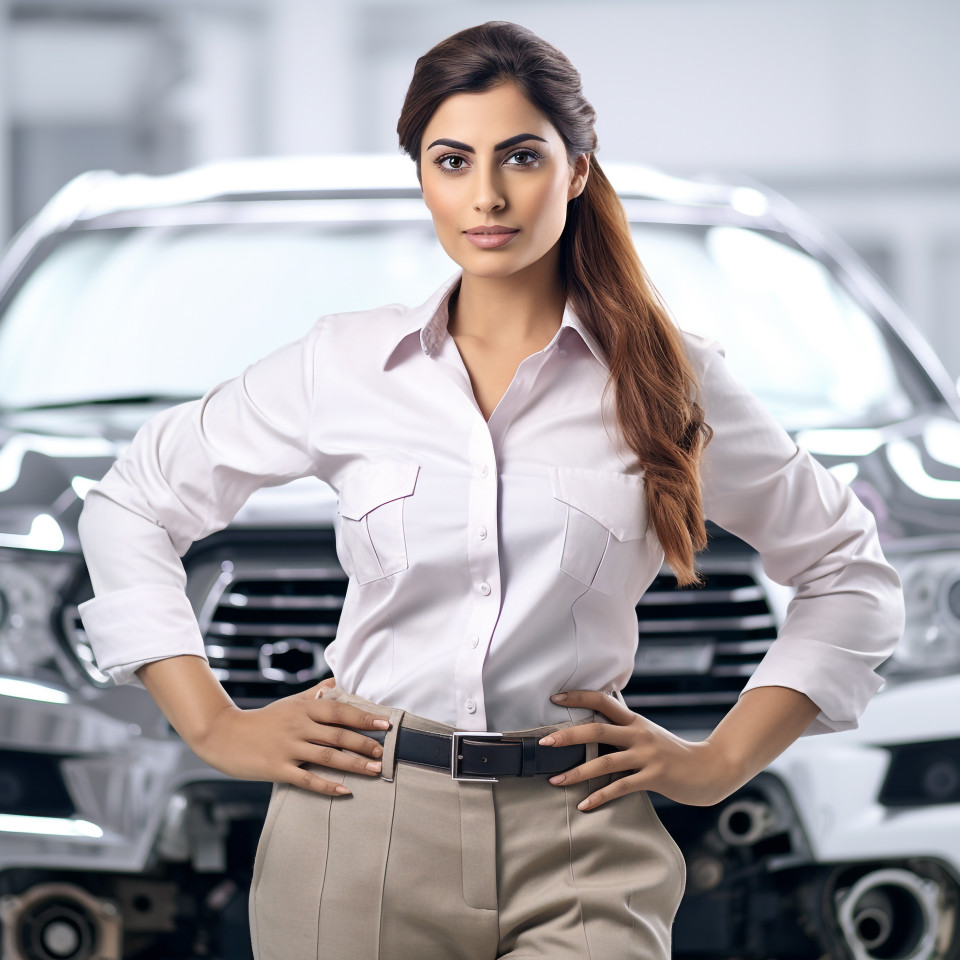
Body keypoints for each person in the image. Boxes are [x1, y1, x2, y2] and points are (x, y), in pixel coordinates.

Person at [76, 19, 905, 960]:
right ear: (422, 176)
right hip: (358, 830)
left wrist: (718, 761)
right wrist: (213, 724)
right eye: (451, 160)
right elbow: (131, 502)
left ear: (578, 169)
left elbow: (848, 568)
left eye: (521, 156)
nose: (487, 195)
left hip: (582, 831)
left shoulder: (671, 379)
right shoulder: (343, 366)